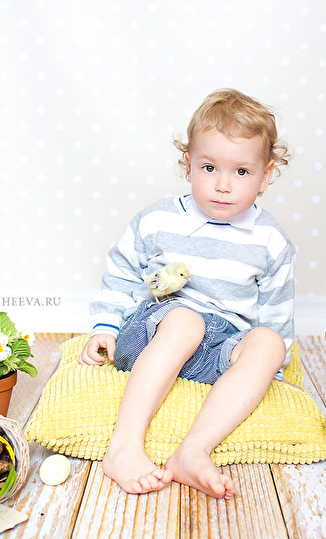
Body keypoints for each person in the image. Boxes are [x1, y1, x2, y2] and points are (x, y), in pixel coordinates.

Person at [79, 88, 295, 499]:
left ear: (266, 175)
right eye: (209, 168)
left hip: (218, 349)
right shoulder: (158, 220)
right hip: (155, 332)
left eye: (242, 172)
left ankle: (192, 451)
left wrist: (269, 366)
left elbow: (276, 311)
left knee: (269, 342)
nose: (223, 185)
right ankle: (124, 448)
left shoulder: (270, 240)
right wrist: (105, 326)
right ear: (188, 165)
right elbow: (122, 273)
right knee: (186, 320)